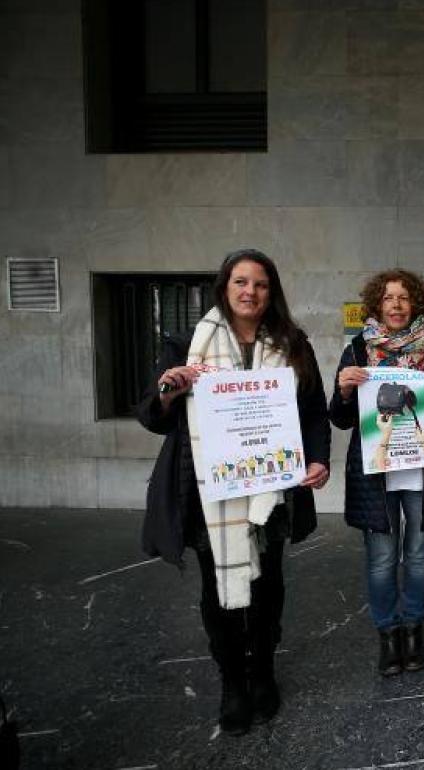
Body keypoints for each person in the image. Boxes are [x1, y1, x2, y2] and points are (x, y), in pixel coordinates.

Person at [137, 249, 331, 736]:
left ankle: (262, 672)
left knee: (269, 588)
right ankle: (232, 682)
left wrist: (319, 459)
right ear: (224, 287)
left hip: (272, 490)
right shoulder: (186, 345)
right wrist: (171, 389)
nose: (251, 292)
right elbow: (152, 415)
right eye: (241, 282)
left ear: (272, 291)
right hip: (210, 496)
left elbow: (312, 411)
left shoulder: (292, 342)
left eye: (261, 284)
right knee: (218, 592)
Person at [328, 270, 424, 677]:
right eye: (389, 298)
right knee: (383, 559)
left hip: (423, 467)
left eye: (405, 298)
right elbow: (339, 417)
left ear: (416, 304)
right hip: (376, 471)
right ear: (377, 305)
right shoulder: (357, 350)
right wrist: (346, 390)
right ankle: (388, 634)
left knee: (420, 555)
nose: (397, 305)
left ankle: (414, 628)